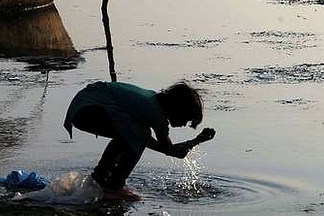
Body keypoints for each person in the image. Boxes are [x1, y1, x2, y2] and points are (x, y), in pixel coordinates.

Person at [63, 81, 216, 201]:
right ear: (178, 109)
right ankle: (112, 186)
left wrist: (196, 141)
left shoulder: (150, 101)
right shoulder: (155, 113)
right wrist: (196, 141)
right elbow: (167, 149)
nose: (184, 124)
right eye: (186, 119)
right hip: (88, 110)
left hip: (83, 105)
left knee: (131, 134)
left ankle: (101, 179)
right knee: (134, 135)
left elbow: (157, 145)